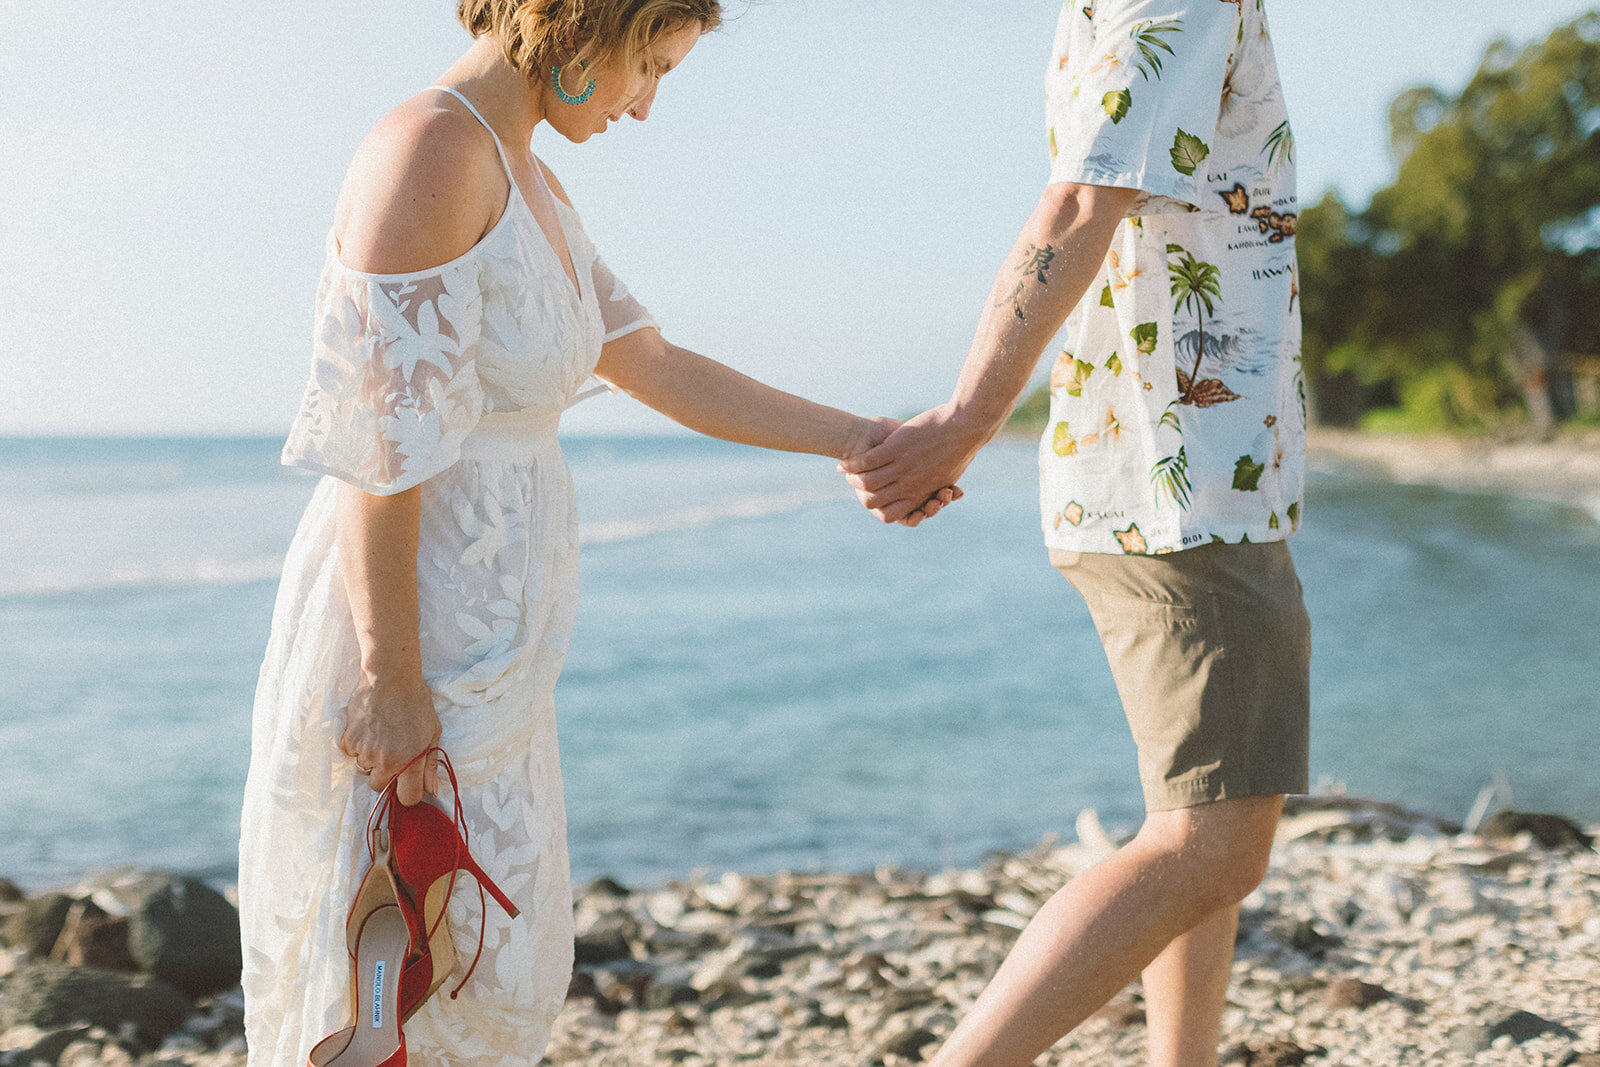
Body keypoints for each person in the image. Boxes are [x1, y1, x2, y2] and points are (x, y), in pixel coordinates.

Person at [238, 2, 915, 1063]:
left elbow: (656, 363)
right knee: (392, 959)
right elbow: (383, 445)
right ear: (581, 26)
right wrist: (391, 676)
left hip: (497, 647)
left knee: (482, 960)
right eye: (648, 65)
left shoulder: (530, 177)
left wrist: (863, 439)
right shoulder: (430, 150)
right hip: (417, 633)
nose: (645, 106)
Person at [842, 2, 1309, 1064]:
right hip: (1182, 478)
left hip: (1177, 469)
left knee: (1189, 821)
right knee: (1213, 842)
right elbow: (1077, 202)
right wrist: (964, 421)